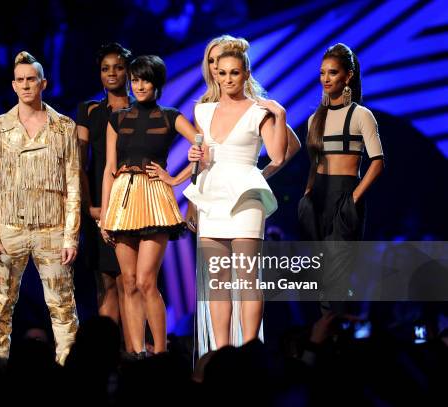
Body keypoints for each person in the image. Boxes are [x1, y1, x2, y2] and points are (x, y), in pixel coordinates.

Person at [184, 39, 288, 356]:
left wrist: (280, 116)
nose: (228, 79)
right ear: (215, 75)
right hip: (212, 195)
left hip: (246, 196)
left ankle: (249, 353)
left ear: (245, 74)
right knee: (218, 281)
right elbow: (202, 158)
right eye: (223, 73)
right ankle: (221, 354)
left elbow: (279, 155)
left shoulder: (260, 111)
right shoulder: (202, 110)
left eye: (235, 73)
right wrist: (194, 155)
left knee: (246, 277)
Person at [0, 51, 80, 365]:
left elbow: (73, 186)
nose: (25, 85)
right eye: (20, 80)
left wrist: (70, 237)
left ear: (43, 83)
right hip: (8, 231)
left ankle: (68, 372)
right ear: (13, 85)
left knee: (62, 308)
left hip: (52, 229)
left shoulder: (63, 127)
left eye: (31, 79)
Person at [100, 55, 197, 357]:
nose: (139, 86)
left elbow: (203, 149)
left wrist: (175, 178)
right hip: (122, 200)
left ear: (157, 83)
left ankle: (161, 352)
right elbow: (109, 168)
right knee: (127, 282)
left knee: (145, 281)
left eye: (145, 80)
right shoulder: (117, 118)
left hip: (154, 197)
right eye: (135, 80)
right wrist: (104, 214)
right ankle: (138, 352)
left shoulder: (170, 115)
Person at [298, 43, 384, 311]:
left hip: (345, 194)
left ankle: (334, 339)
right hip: (317, 198)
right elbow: (314, 162)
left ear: (348, 76)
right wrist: (307, 194)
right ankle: (325, 338)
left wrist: (354, 198)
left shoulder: (361, 115)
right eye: (322, 73)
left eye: (332, 73)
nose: (325, 79)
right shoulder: (315, 119)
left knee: (336, 280)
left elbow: (378, 162)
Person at [76, 42, 135, 352]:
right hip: (100, 206)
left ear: (128, 70)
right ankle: (106, 356)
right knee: (106, 283)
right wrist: (90, 206)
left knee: (132, 282)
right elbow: (80, 162)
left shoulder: (141, 109)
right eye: (105, 68)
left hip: (134, 205)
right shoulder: (89, 111)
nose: (112, 73)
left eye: (118, 67)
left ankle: (133, 351)